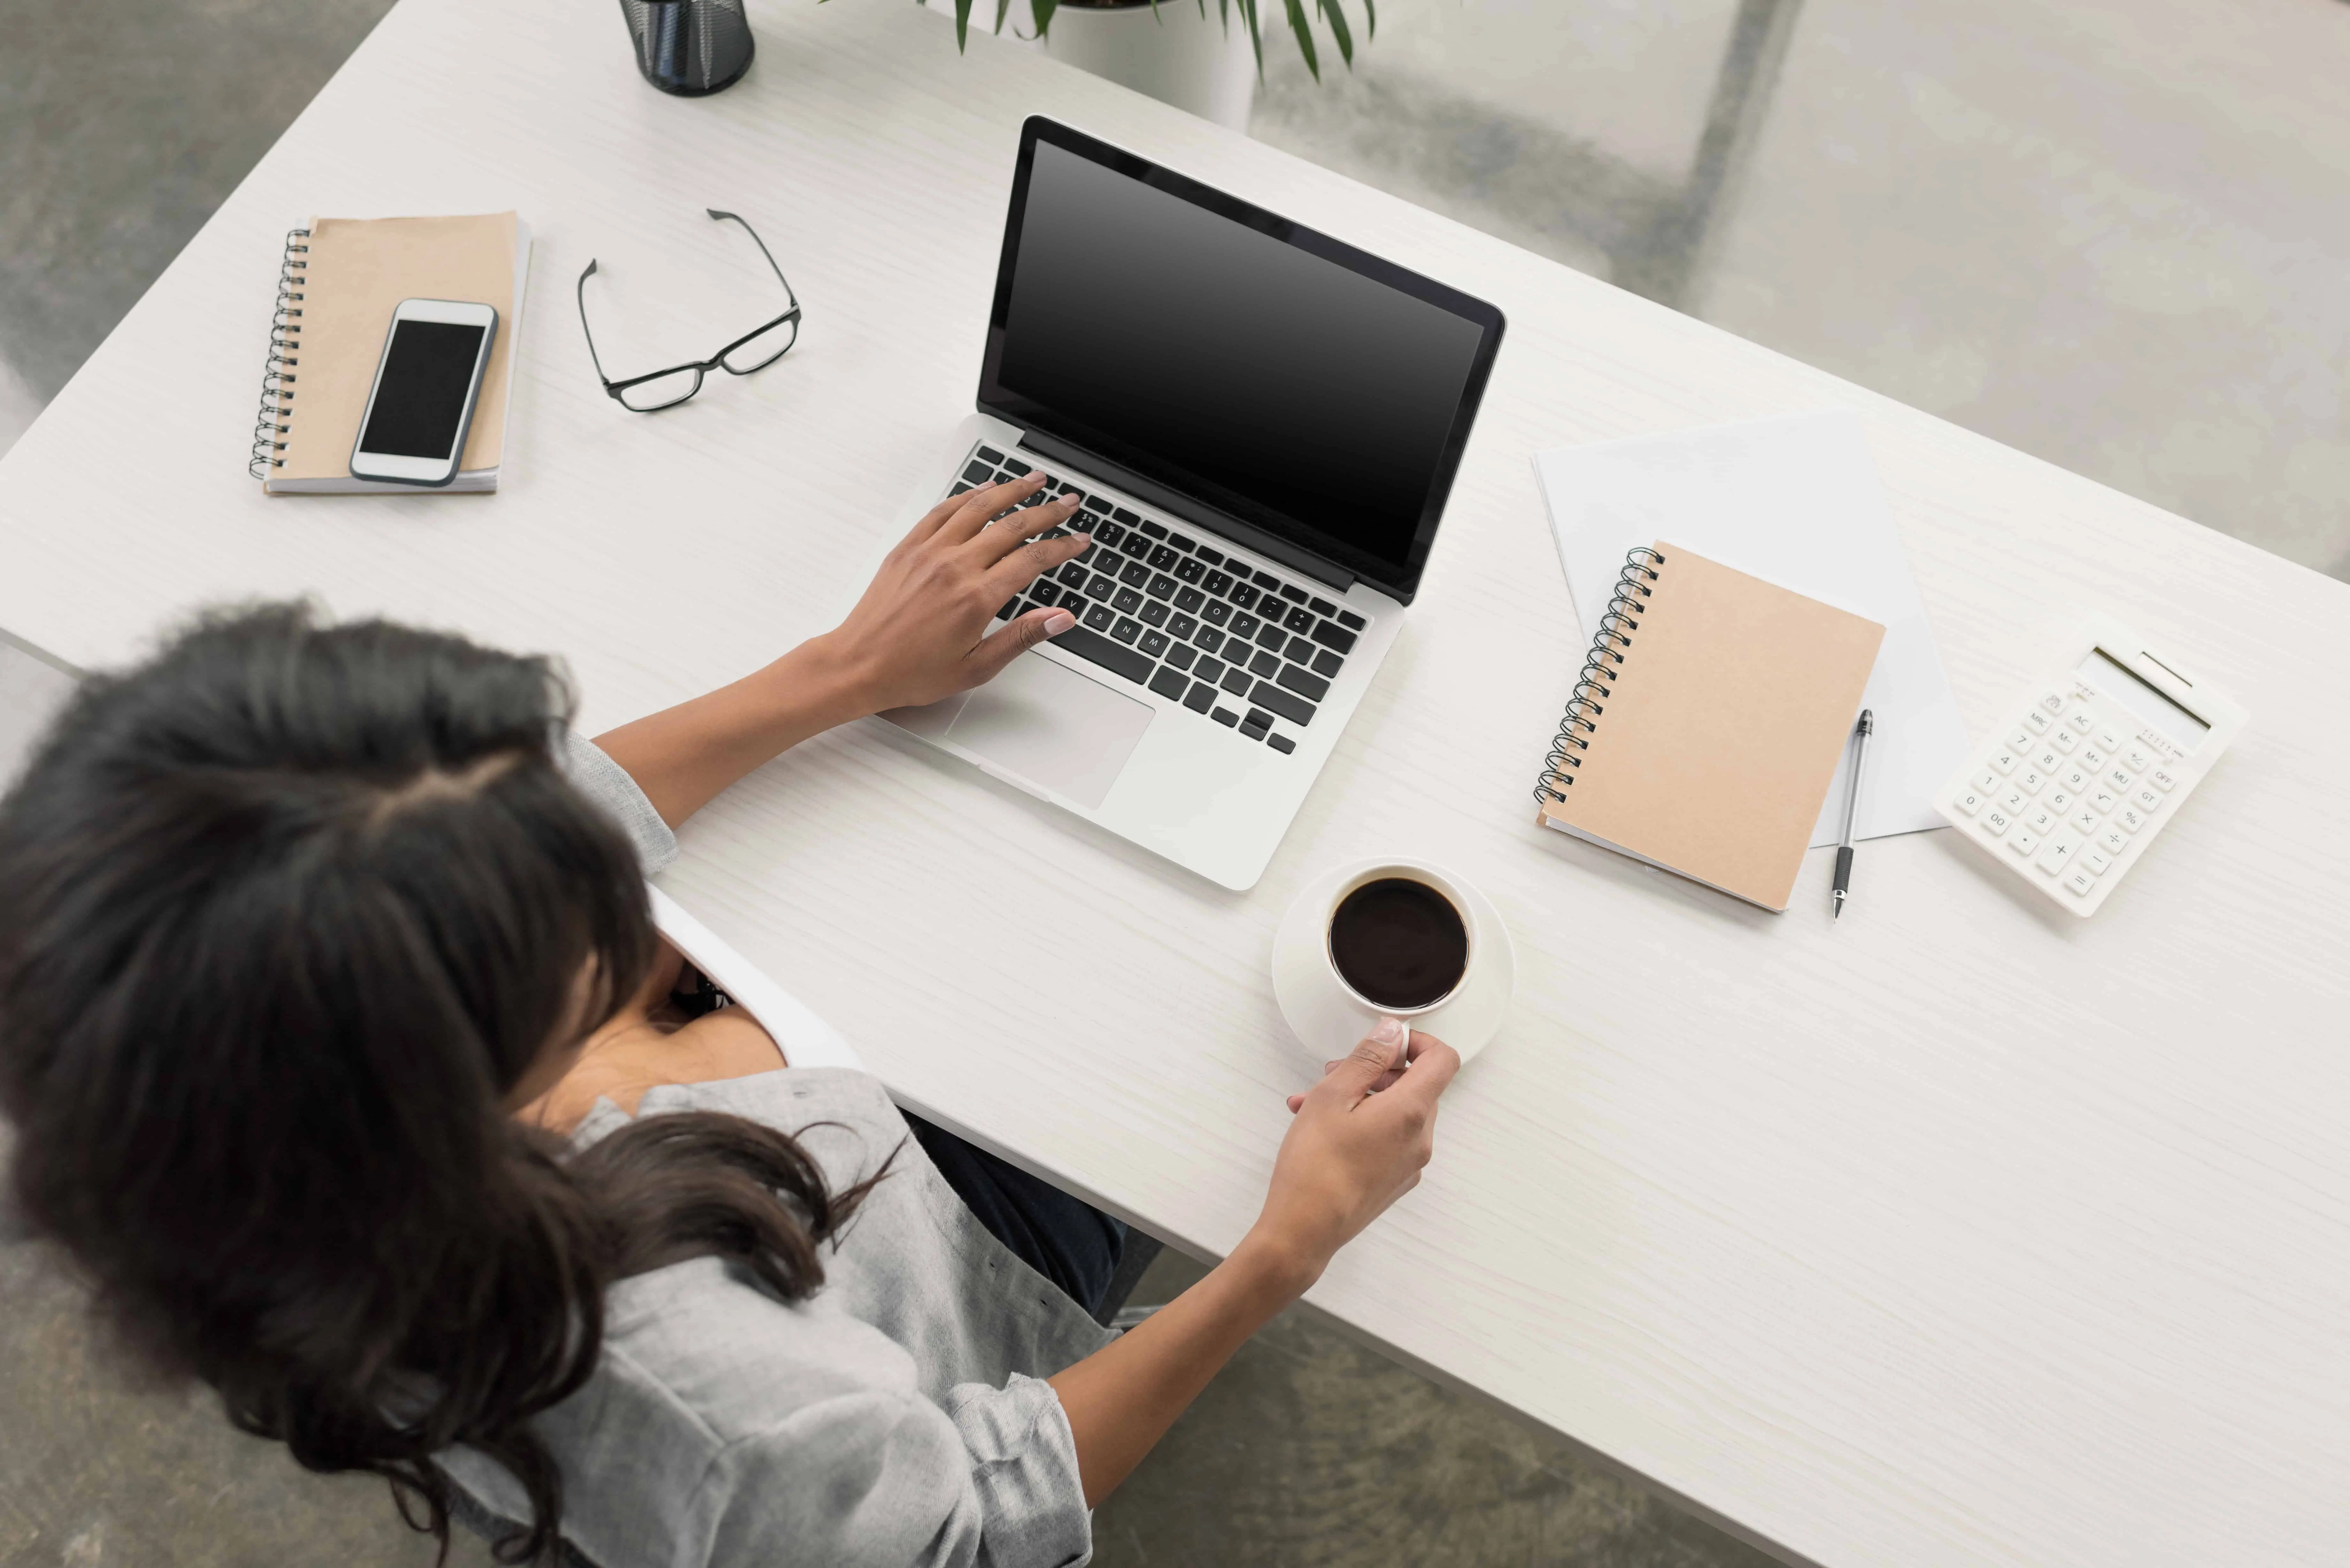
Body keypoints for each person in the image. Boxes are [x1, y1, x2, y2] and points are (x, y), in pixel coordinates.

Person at [0, 472, 1460, 1568]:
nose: (594, 848)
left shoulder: (200, 1033)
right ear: (459, 1081)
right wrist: (1289, 1248)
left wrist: (846, 668)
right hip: (962, 1259)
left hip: (834, 1123)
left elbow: (480, 822)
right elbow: (972, 1515)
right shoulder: (705, 1388)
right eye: (566, 910)